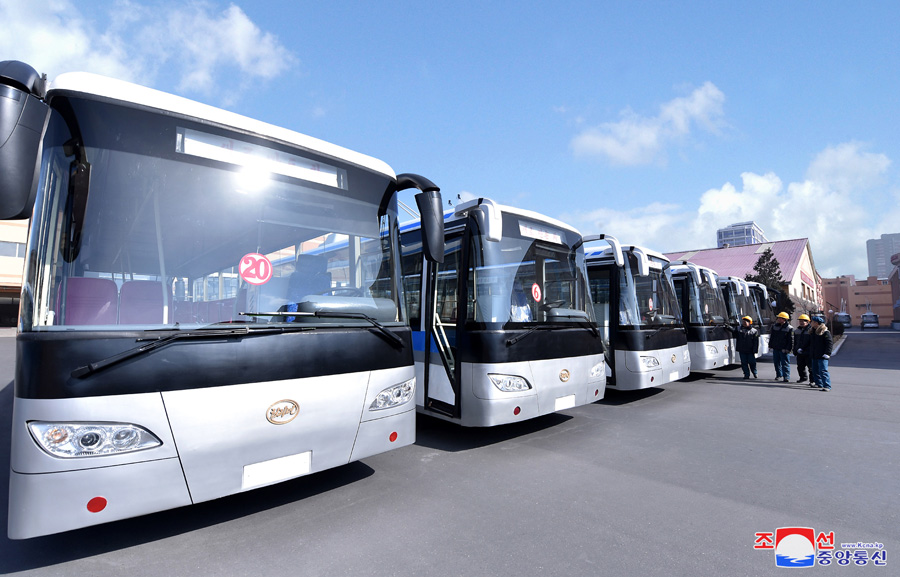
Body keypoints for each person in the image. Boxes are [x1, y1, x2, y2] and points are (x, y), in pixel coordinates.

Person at [807, 315, 833, 391]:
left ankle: (827, 386)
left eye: (812, 321)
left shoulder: (825, 332)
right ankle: (819, 383)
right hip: (814, 354)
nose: (811, 323)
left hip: (823, 355)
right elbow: (810, 343)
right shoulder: (812, 332)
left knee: (823, 370)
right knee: (815, 370)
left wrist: (827, 353)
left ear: (817, 323)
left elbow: (829, 343)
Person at [769, 311, 794, 382]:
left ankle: (786, 377)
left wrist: (788, 349)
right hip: (776, 348)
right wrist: (770, 345)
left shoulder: (789, 328)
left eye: (780, 318)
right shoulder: (774, 327)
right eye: (778, 318)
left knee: (785, 363)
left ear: (784, 319)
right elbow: (772, 337)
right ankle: (779, 375)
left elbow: (791, 340)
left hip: (784, 349)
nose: (778, 319)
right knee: (776, 363)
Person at [792, 314, 813, 385]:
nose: (801, 323)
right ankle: (803, 377)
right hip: (799, 352)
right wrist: (795, 350)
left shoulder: (811, 331)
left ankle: (812, 380)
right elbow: (795, 342)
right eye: (800, 321)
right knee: (800, 366)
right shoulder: (797, 331)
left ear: (807, 322)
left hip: (808, 352)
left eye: (803, 321)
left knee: (811, 368)